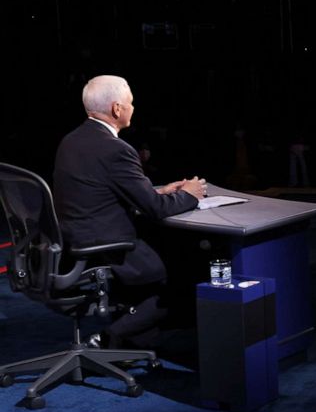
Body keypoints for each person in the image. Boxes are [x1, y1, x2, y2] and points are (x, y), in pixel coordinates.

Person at [53, 75, 207, 349]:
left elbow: (97, 191)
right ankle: (112, 336)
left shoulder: (71, 140)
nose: (133, 108)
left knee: (168, 247)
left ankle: (138, 332)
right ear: (116, 109)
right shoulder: (116, 149)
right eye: (130, 103)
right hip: (107, 243)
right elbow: (157, 210)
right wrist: (190, 194)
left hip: (73, 240)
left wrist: (157, 191)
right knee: (188, 273)